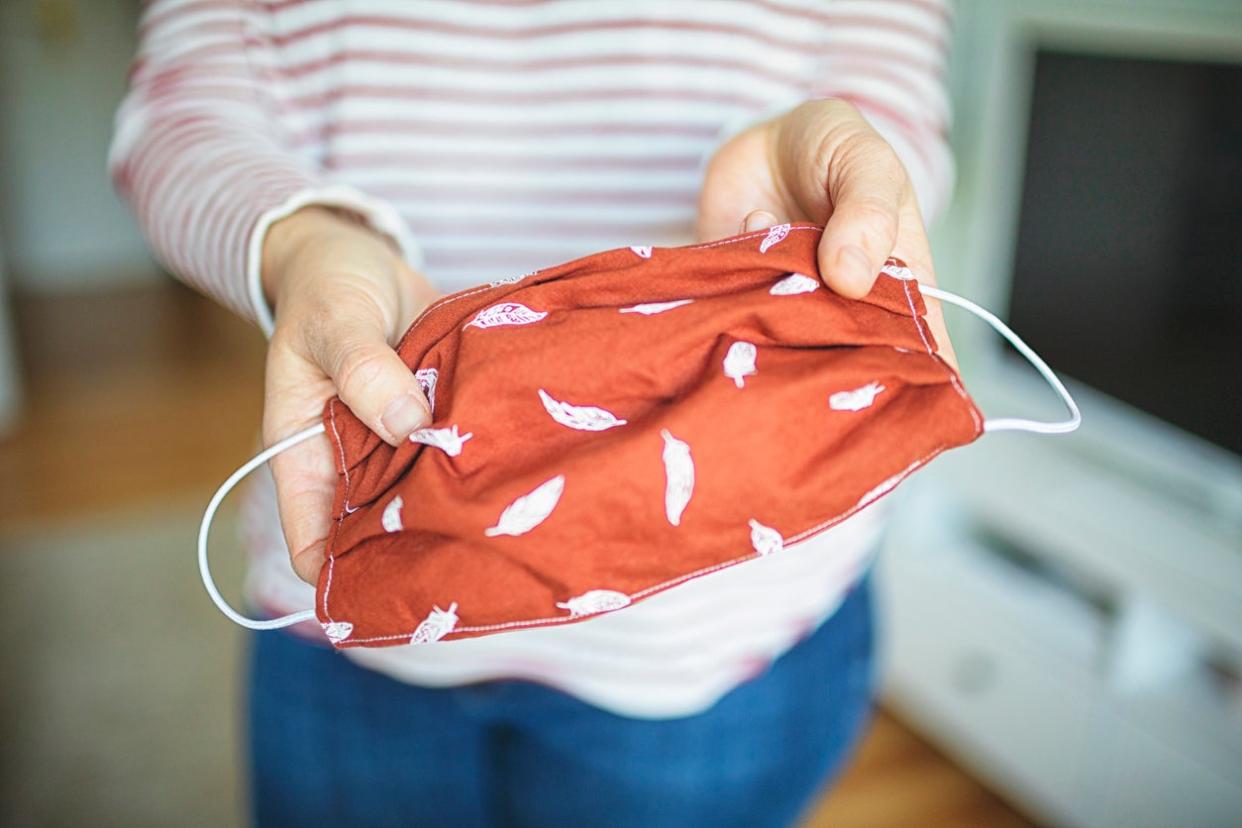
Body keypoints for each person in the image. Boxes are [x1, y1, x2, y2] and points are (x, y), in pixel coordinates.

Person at [111, 1, 956, 825]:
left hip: (718, 636)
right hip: (348, 574)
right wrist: (303, 244)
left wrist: (815, 194)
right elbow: (183, 108)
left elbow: (889, 105)